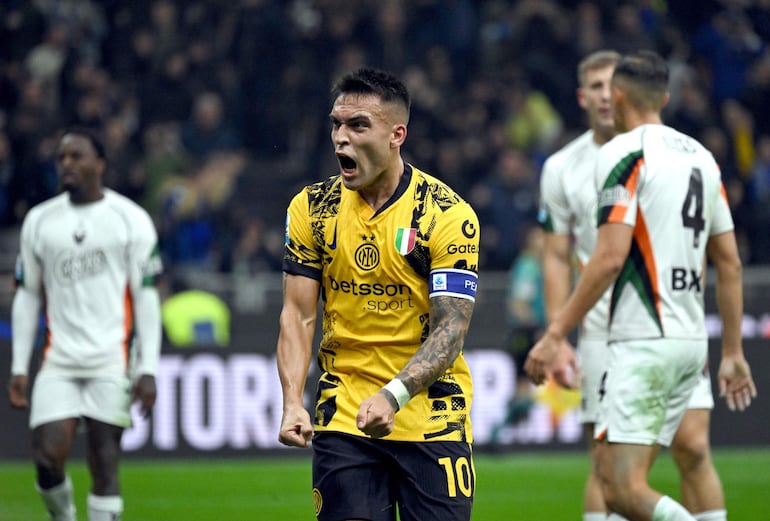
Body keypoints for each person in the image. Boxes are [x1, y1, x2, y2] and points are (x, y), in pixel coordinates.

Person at [526, 50, 756, 520]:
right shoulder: (703, 156)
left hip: (638, 334)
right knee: (629, 467)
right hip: (680, 336)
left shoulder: (622, 153)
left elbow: (610, 257)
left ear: (620, 95)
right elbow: (729, 261)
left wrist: (552, 336)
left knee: (621, 486)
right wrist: (731, 348)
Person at [276, 67, 480, 521]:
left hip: (431, 412)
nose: (340, 138)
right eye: (336, 124)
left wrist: (393, 396)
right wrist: (292, 400)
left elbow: (451, 330)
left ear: (396, 134)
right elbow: (297, 315)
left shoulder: (446, 214)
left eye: (358, 125)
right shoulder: (312, 208)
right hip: (345, 412)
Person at [8, 127, 163, 521]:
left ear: (100, 164)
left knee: (104, 460)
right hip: (58, 359)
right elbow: (27, 295)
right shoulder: (40, 222)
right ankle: (64, 517)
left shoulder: (130, 219)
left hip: (111, 359)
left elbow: (145, 296)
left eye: (77, 156)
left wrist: (147, 369)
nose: (67, 164)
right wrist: (18, 367)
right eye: (62, 158)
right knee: (46, 459)